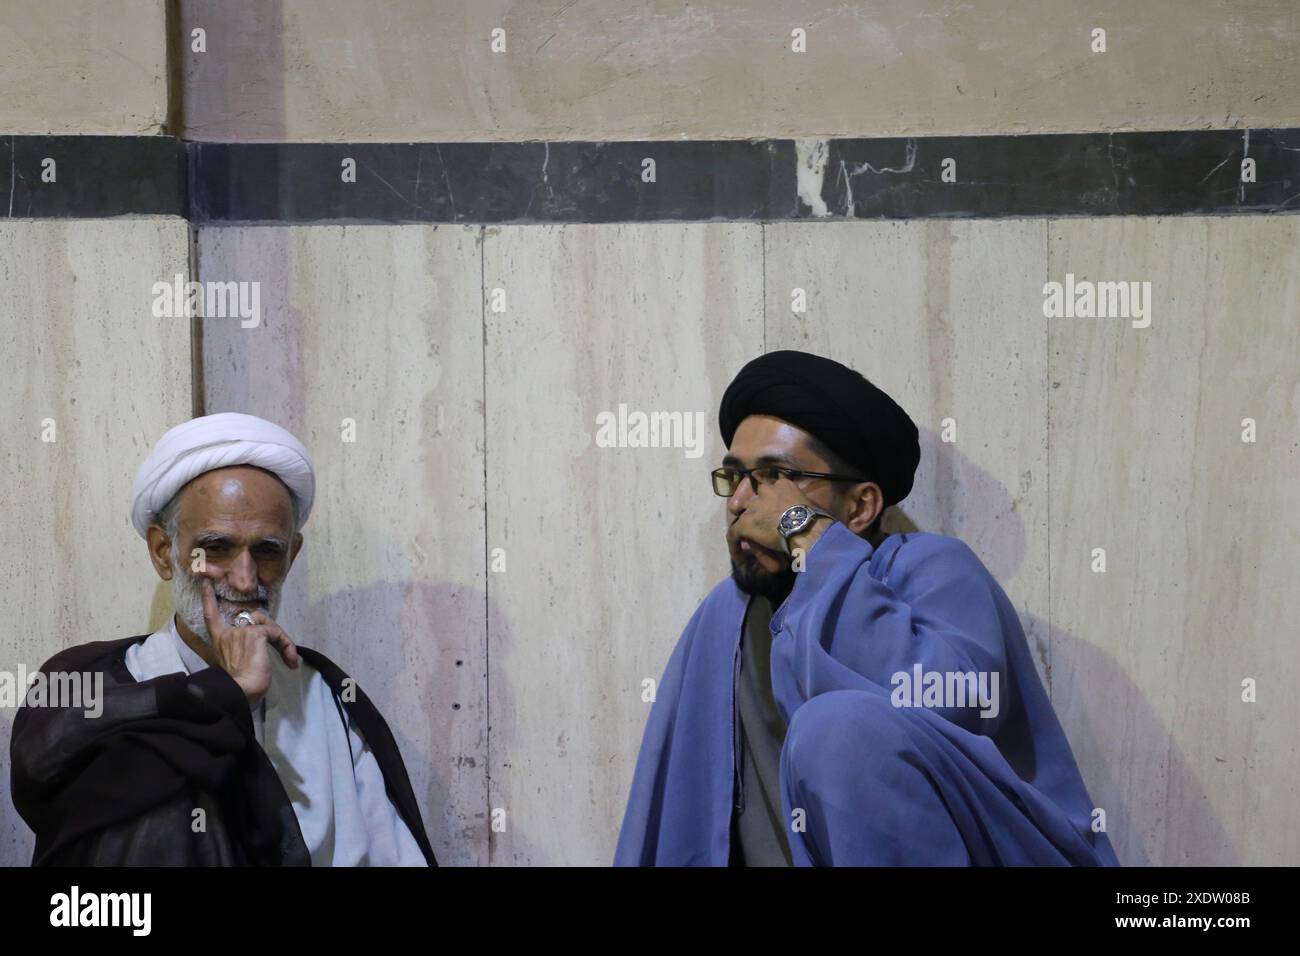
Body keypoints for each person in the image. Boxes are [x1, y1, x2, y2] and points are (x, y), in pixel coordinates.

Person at [615, 350, 1119, 866]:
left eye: (775, 478)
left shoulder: (932, 567)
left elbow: (955, 709)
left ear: (859, 507)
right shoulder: (727, 621)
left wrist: (807, 535)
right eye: (735, 478)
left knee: (837, 729)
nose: (743, 501)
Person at [11, 412, 436, 866]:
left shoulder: (327, 697)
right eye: (216, 548)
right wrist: (226, 695)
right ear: (163, 552)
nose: (245, 577)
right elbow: (63, 794)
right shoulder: (87, 682)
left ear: (291, 555)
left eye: (267, 550)